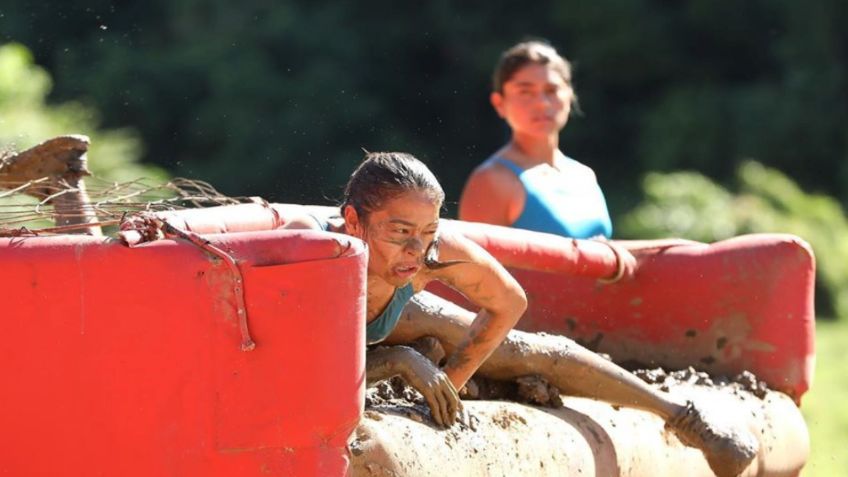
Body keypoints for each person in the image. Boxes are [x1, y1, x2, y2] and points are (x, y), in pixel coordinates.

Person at [286, 151, 757, 477]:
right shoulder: (315, 261)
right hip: (337, 340)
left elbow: (509, 301)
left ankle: (682, 416)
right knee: (401, 350)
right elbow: (297, 371)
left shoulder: (431, 254)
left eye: (428, 229)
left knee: (525, 351)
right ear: (352, 222)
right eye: (399, 231)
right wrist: (399, 362)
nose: (415, 248)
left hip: (394, 320)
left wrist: (453, 376)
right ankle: (413, 351)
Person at [458, 40, 612, 239]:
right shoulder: (493, 180)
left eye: (551, 90)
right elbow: (469, 267)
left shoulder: (584, 175)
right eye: (525, 92)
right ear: (499, 103)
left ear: (569, 95)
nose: (542, 103)